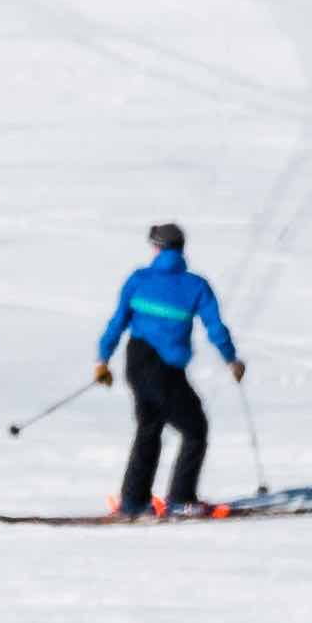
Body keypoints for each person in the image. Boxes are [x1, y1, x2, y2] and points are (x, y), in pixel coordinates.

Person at [93, 220, 243, 520]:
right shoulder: (195, 285)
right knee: (195, 429)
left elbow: (117, 322)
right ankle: (181, 499)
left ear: (156, 248)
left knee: (149, 429)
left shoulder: (138, 279)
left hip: (136, 362)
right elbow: (215, 327)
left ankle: (133, 501)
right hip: (165, 370)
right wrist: (231, 359)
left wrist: (103, 360)